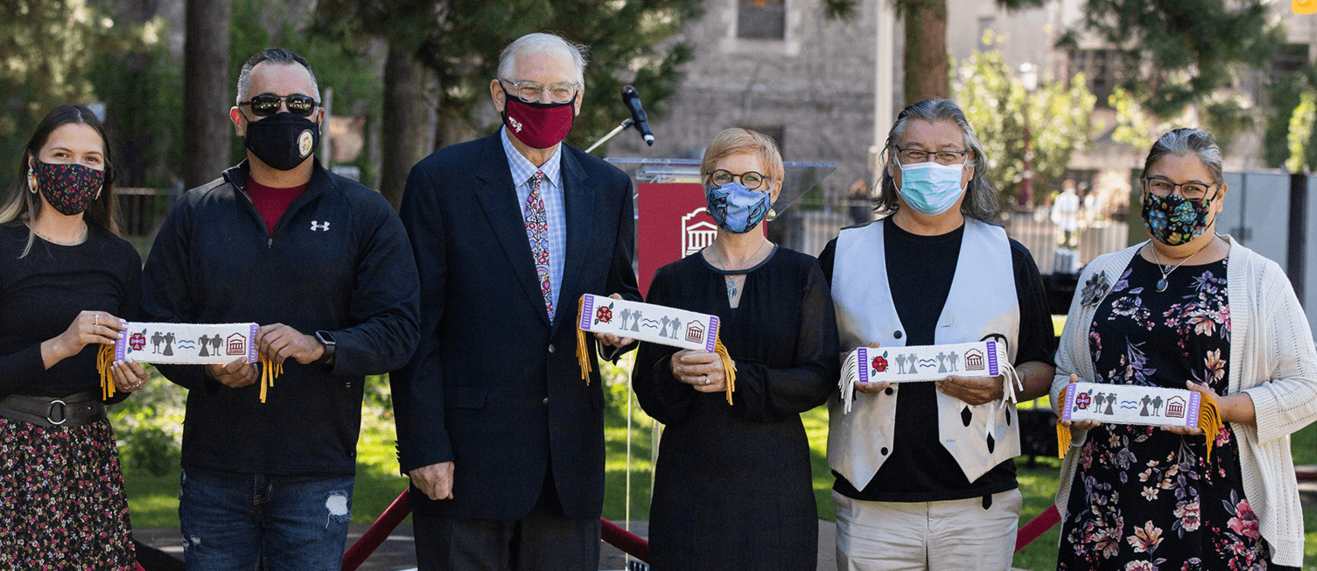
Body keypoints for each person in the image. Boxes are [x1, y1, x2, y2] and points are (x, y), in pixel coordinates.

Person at [141, 48, 420, 570]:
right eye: (266, 104)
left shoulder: (365, 213)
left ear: (319, 114)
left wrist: (322, 346)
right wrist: (205, 368)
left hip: (317, 473)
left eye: (299, 102)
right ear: (239, 119)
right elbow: (155, 323)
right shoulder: (196, 213)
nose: (284, 115)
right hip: (213, 471)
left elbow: (400, 328)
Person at [392, 32, 639, 570]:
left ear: (578, 99)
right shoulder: (440, 182)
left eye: (560, 91)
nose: (546, 104)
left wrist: (622, 329)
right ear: (500, 95)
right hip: (463, 466)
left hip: (567, 467)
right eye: (530, 88)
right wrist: (423, 445)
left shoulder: (608, 187)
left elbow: (622, 290)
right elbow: (416, 327)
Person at [1050, 127, 1317, 571]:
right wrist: (1070, 401)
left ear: (1218, 196)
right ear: (1143, 187)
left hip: (1217, 506)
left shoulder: (1259, 279)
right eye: (1161, 184)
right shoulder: (1101, 274)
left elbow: (1309, 391)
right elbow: (1065, 373)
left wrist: (1226, 408)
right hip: (1106, 504)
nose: (1174, 198)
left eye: (1193, 189)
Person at [821, 99, 1057, 571]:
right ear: (893, 163)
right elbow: (811, 363)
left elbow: (1043, 365)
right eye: (917, 153)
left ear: (969, 168)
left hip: (979, 505)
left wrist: (1003, 384)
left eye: (948, 155)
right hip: (872, 505)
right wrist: (846, 371)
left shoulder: (1010, 258)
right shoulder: (842, 255)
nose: (934, 166)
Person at [0, 104, 149, 569]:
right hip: (0, 459)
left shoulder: (120, 260)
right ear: (33, 166)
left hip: (86, 458)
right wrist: (60, 345)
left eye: (91, 160)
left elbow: (106, 384)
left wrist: (122, 382)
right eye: (62, 154)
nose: (77, 169)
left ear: (104, 174)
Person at [632, 128, 840, 570]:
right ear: (706, 186)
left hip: (774, 486)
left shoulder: (802, 275)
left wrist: (736, 376)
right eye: (722, 176)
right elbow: (646, 390)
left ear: (774, 188)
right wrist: (671, 369)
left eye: (750, 179)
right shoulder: (672, 280)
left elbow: (818, 378)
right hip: (688, 485)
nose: (735, 189)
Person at [1052, 179, 1082, 273]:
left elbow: (1075, 210)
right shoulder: (1060, 197)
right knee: (1061, 239)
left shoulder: (1075, 198)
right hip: (1062, 221)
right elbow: (1057, 209)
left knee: (1071, 239)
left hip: (1071, 221)